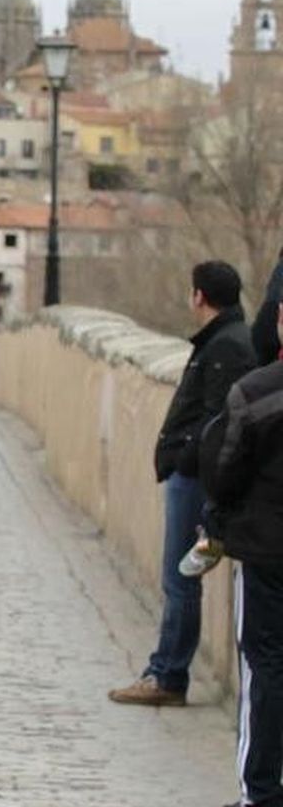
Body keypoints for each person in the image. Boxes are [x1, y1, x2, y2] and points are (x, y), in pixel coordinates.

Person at [110, 261, 257, 707]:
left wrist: (182, 460)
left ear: (198, 296)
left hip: (194, 479)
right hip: (192, 473)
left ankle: (168, 674)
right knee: (181, 576)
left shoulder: (225, 346)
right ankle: (166, 669)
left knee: (181, 577)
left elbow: (216, 419)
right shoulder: (225, 339)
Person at [199, 344, 283, 807]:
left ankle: (262, 793)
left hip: (266, 548)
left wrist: (220, 521)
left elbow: (225, 471)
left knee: (264, 660)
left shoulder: (255, 392)